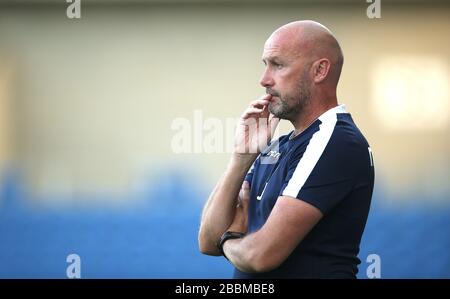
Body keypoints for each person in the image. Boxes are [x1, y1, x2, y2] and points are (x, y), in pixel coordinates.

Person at [198, 20, 374, 278]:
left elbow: (260, 256)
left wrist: (227, 241)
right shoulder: (275, 147)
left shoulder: (335, 140)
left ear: (320, 70)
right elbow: (206, 241)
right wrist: (241, 157)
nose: (264, 80)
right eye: (265, 65)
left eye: (277, 65)